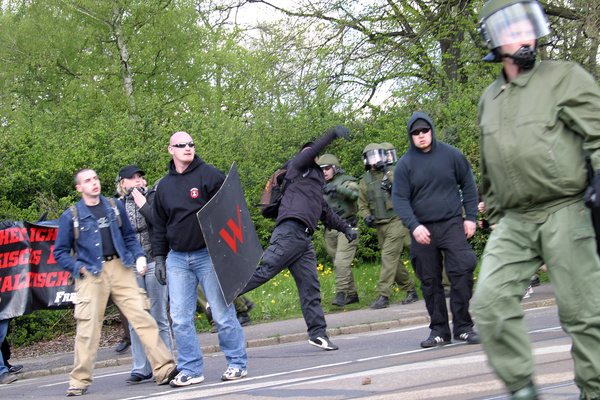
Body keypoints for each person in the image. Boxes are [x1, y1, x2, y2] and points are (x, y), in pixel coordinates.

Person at [474, 1, 600, 398]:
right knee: (489, 304)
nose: (525, 36)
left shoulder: (564, 77)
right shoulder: (489, 98)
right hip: (514, 220)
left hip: (566, 208)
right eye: (513, 30)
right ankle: (522, 390)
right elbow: (491, 164)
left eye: (528, 27)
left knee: (584, 314)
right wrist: (494, 213)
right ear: (494, 40)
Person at [53, 168, 177, 396]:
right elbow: (59, 252)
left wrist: (139, 256)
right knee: (88, 328)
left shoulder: (113, 206)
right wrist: (78, 268)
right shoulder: (71, 216)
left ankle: (164, 369)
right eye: (87, 181)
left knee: (142, 317)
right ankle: (79, 381)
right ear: (79, 188)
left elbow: (129, 236)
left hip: (121, 268)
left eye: (95, 178)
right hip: (91, 273)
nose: (94, 183)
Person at [239, 126, 357, 351]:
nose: (313, 155)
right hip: (289, 231)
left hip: (304, 240)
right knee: (265, 270)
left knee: (310, 288)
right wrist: (332, 134)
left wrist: (346, 229)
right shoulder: (296, 167)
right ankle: (223, 295)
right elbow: (309, 152)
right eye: (310, 152)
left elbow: (326, 213)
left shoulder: (315, 183)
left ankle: (318, 334)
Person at [152, 132, 248, 386]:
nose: (188, 147)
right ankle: (191, 369)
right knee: (180, 318)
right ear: (170, 149)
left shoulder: (210, 175)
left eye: (191, 144)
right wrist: (159, 257)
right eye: (181, 145)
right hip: (177, 258)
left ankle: (237, 363)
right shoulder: (163, 186)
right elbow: (159, 225)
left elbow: (232, 209)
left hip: (208, 255)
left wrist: (230, 251)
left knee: (221, 312)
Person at [392, 112, 479, 348]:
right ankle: (439, 330)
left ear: (432, 130)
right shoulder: (405, 164)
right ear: (410, 136)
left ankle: (463, 327)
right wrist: (414, 225)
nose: (421, 135)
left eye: (425, 130)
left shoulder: (452, 155)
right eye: (416, 132)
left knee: (462, 271)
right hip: (422, 229)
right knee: (429, 281)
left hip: (451, 223)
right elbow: (399, 199)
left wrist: (471, 217)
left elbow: (468, 185)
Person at [116, 165, 174, 384]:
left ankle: (168, 364)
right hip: (130, 265)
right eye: (132, 178)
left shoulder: (153, 198)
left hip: (154, 261)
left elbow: (161, 224)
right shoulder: (118, 206)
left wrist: (143, 205)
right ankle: (141, 367)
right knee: (136, 318)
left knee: (159, 316)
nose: (138, 180)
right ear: (122, 184)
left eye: (140, 177)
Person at [357, 143, 418, 309]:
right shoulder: (364, 180)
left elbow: (403, 188)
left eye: (377, 156)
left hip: (396, 221)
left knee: (388, 256)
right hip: (380, 225)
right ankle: (410, 289)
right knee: (393, 261)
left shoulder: (393, 172)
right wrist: (366, 217)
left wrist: (387, 172)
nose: (374, 160)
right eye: (371, 157)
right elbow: (362, 204)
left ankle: (383, 295)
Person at [317, 153, 360, 307]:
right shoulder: (319, 186)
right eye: (321, 169)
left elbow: (354, 194)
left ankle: (341, 293)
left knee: (341, 262)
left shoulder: (346, 181)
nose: (324, 172)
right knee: (339, 263)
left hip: (348, 227)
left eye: (327, 168)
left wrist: (337, 189)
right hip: (330, 230)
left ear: (335, 168)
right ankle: (353, 294)